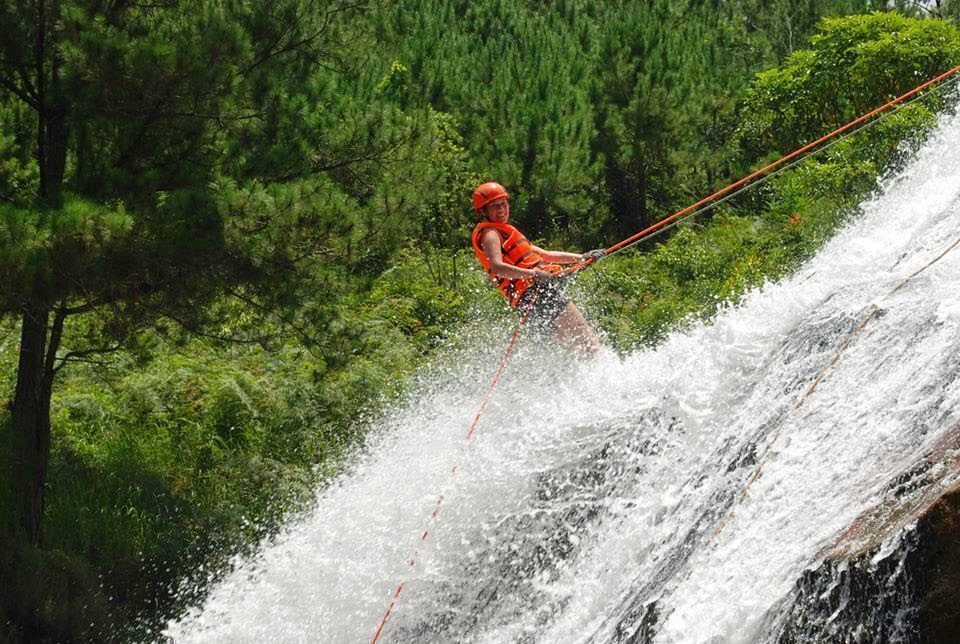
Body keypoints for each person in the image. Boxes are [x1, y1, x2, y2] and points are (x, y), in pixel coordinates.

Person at [469, 181, 605, 356]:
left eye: (504, 204)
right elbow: (497, 267)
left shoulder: (504, 232)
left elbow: (546, 255)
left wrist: (582, 258)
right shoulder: (490, 234)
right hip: (539, 294)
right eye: (495, 206)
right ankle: (607, 371)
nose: (502, 209)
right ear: (483, 211)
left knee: (580, 350)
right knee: (590, 346)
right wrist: (533, 273)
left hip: (528, 304)